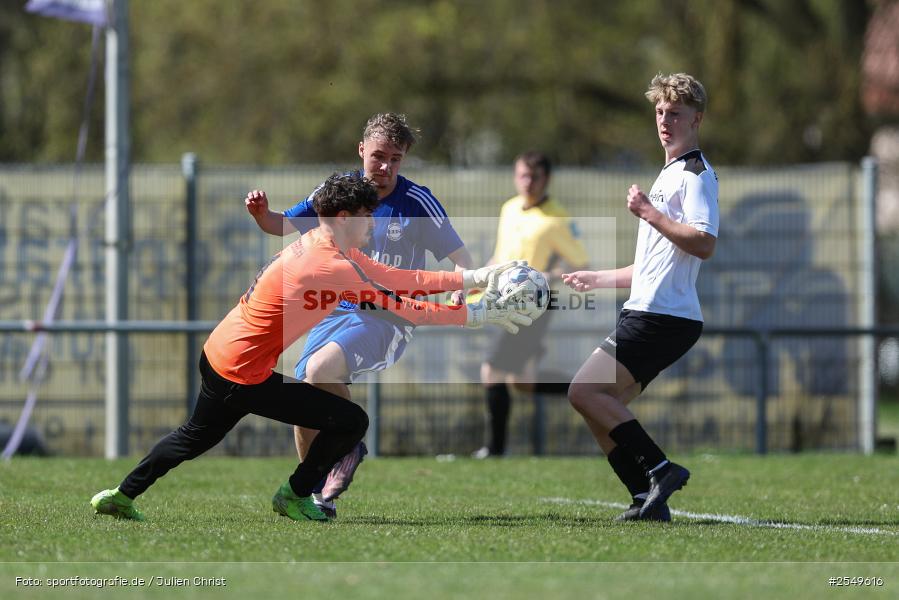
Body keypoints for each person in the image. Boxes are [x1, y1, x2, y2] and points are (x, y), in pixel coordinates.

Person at [91, 173, 530, 523]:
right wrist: (476, 315)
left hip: (221, 354)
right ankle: (296, 494)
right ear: (342, 217)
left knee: (193, 436)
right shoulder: (331, 264)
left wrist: (476, 279)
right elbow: (406, 308)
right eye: (365, 216)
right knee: (351, 421)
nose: (372, 224)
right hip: (241, 374)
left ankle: (120, 495)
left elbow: (402, 278)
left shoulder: (329, 247)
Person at [246, 113, 473, 517]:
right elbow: (283, 226)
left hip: (387, 317)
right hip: (335, 313)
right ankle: (313, 494)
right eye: (379, 156)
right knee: (305, 392)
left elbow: (462, 259)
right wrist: (263, 216)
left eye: (396, 159)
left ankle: (347, 443)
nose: (386, 167)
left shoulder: (417, 201)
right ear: (361, 150)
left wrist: (462, 290)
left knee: (317, 373)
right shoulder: (337, 193)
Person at [563, 73, 718, 521]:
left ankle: (660, 469)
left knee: (584, 391)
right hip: (657, 313)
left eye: (676, 114)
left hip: (662, 318)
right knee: (601, 406)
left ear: (697, 119)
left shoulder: (695, 175)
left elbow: (705, 242)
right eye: (660, 113)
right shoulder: (669, 173)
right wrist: (599, 278)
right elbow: (651, 268)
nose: (665, 121)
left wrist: (649, 213)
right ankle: (643, 498)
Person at [473, 151, 588, 458]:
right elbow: (498, 258)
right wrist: (473, 284)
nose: (527, 182)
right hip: (503, 301)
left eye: (534, 176)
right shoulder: (509, 209)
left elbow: (579, 263)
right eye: (522, 175)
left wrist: (539, 277)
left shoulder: (556, 218)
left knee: (491, 371)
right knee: (523, 382)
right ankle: (591, 390)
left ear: (546, 179)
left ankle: (494, 451)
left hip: (532, 305)